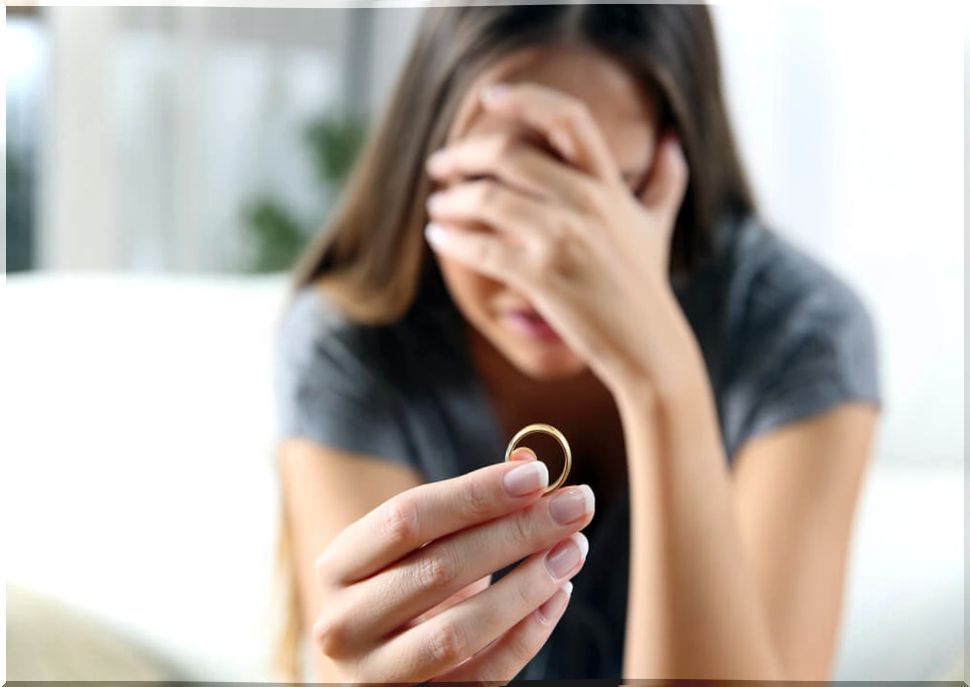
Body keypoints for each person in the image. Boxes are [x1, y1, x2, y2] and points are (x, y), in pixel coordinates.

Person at [272, 4, 881, 683]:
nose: (545, 268)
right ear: (426, 168)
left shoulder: (796, 331)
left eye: (599, 200)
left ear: (672, 167)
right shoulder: (354, 344)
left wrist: (661, 375)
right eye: (499, 191)